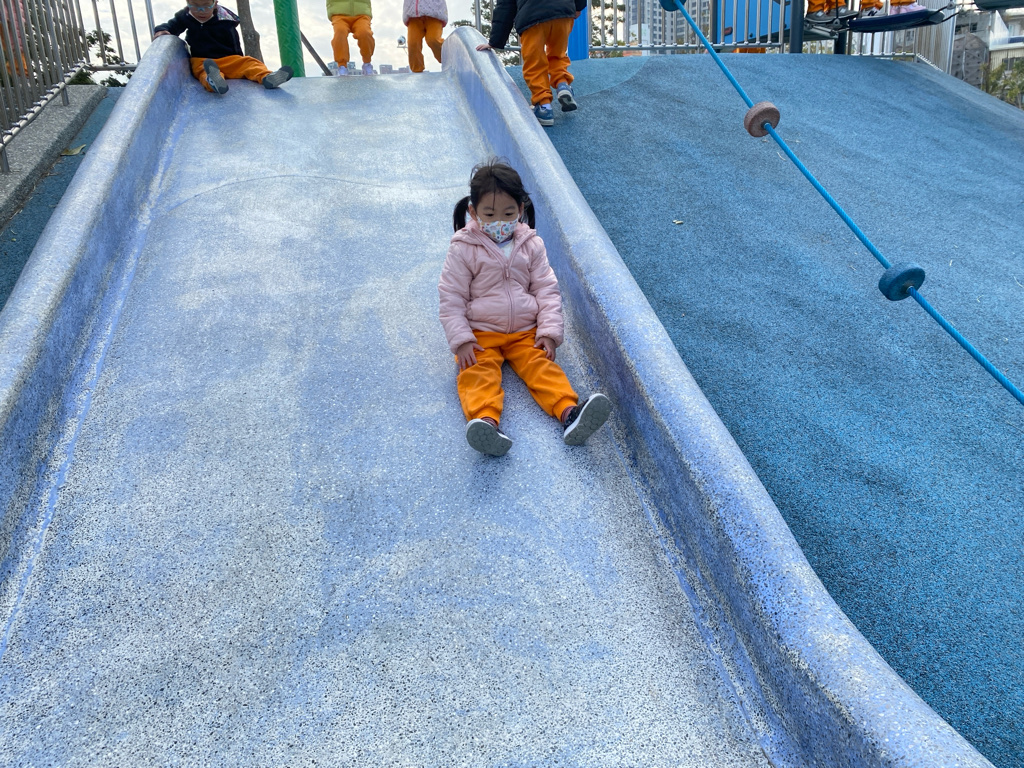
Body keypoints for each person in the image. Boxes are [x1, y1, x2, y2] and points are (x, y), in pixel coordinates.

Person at [438, 161, 612, 457]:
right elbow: (451, 296)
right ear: (473, 212)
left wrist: (549, 331)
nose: (499, 221)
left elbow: (546, 289)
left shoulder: (531, 245)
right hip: (481, 332)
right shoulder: (463, 248)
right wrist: (462, 339)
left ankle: (569, 413)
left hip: (524, 331)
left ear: (520, 209)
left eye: (508, 214)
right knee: (477, 372)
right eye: (489, 214)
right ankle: (486, 423)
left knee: (541, 366)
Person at [475, 0, 587, 126]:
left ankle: (544, 106)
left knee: (535, 63)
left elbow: (505, 7)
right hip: (563, 13)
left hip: (532, 17)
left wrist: (495, 41)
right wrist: (578, 7)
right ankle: (563, 85)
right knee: (557, 55)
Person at [153, 1, 293, 93]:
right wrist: (161, 31)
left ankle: (267, 77)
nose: (201, 11)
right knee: (203, 71)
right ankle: (214, 81)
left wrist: (239, 58)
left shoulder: (225, 20)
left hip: (228, 59)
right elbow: (171, 26)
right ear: (188, 3)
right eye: (195, 5)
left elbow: (234, 41)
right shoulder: (185, 16)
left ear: (215, 3)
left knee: (249, 62)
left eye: (206, 6)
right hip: (203, 60)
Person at [328, 0, 376, 75]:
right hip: (339, 13)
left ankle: (367, 63)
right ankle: (342, 66)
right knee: (340, 32)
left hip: (361, 13)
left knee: (365, 33)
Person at [403, 0, 447, 73]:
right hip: (413, 15)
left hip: (434, 14)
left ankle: (447, 58)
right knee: (413, 43)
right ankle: (417, 70)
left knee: (433, 39)